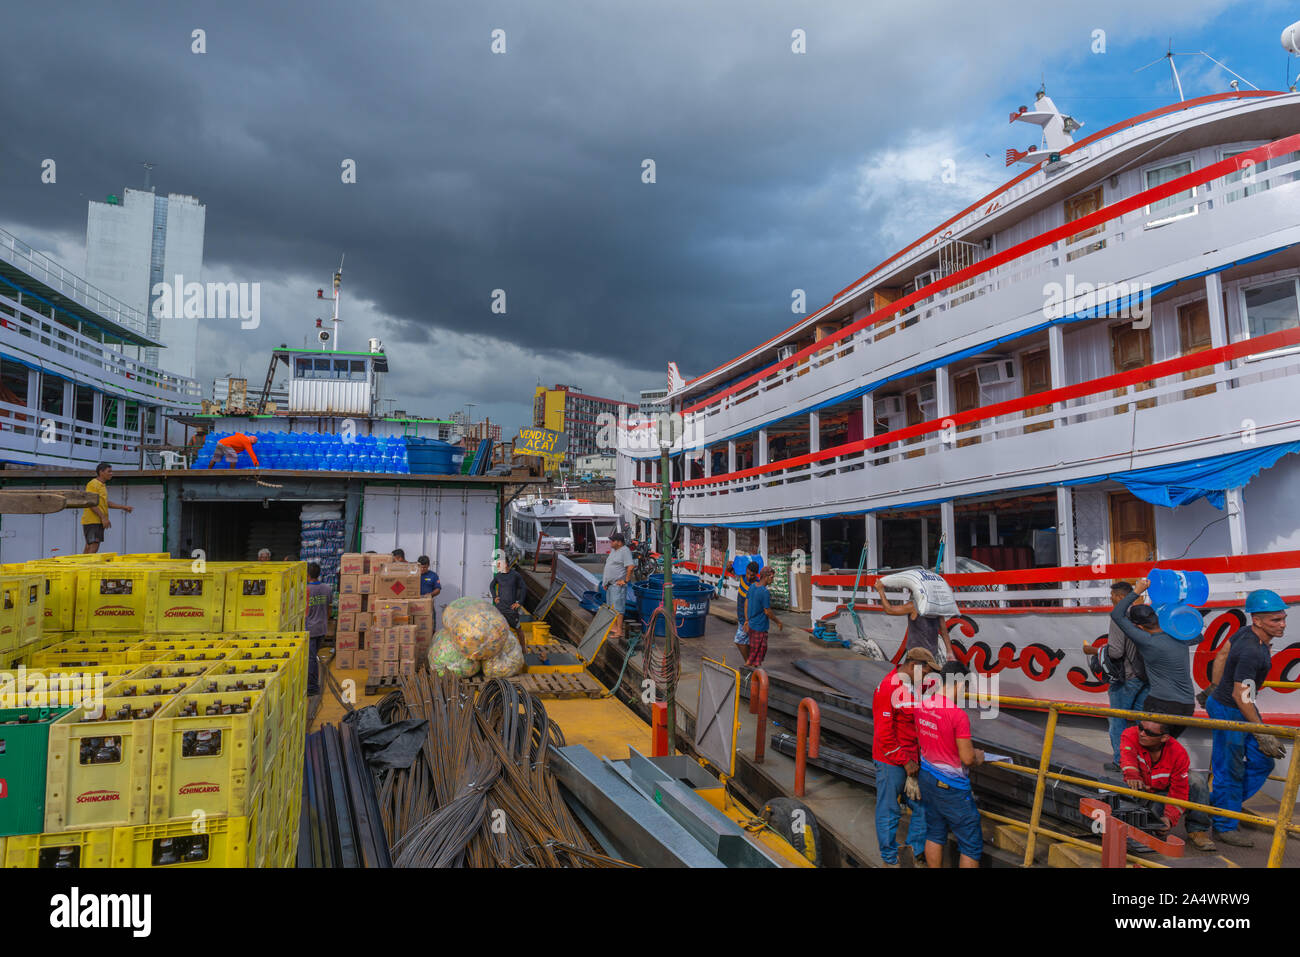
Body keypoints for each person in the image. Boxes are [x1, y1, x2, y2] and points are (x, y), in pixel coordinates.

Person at [1204, 589, 1289, 848]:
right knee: (1229, 767)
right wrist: (1260, 731)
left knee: (1263, 760)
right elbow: (1241, 696)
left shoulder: (1244, 633)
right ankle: (1224, 826)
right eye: (1276, 620)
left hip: (1233, 704)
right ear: (1258, 621)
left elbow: (1221, 655)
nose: (1283, 624)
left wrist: (1213, 686)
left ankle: (1221, 806)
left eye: (1283, 618)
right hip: (1231, 709)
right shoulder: (1252, 651)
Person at [915, 661, 984, 867]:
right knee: (970, 844)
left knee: (935, 832)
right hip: (951, 787)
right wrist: (978, 756)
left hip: (927, 776)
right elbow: (968, 758)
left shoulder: (923, 705)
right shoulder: (957, 715)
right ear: (961, 685)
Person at [872, 648, 937, 867]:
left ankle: (912, 851)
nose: (927, 677)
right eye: (925, 672)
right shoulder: (889, 688)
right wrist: (905, 761)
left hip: (912, 760)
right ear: (913, 666)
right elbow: (884, 734)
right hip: (892, 761)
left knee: (923, 806)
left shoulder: (914, 687)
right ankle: (889, 857)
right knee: (889, 808)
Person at [1109, 578, 1195, 736]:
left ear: (1139, 627)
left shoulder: (1147, 641)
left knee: (1149, 750)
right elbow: (1196, 631)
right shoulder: (1180, 636)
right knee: (1167, 747)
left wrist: (1137, 591)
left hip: (1161, 704)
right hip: (1187, 706)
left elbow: (1117, 614)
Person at [1120, 720, 1216, 852]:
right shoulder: (1131, 734)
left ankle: (1198, 829)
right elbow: (1127, 758)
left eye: (1148, 732)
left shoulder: (1178, 753)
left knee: (1197, 781)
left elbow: (1179, 791)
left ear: (1164, 737)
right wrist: (1132, 775)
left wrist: (1169, 819)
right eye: (1141, 728)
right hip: (1140, 788)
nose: (1141, 733)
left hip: (1162, 791)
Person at [1082, 581, 1148, 770]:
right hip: (1144, 676)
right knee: (1140, 721)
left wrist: (1092, 650)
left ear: (1120, 597)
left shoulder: (1119, 617)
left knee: (1117, 720)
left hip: (1126, 677)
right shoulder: (1141, 614)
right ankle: (1141, 762)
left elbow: (1116, 652)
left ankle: (1121, 761)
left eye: (1112, 597)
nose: (1110, 600)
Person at [875, 578, 956, 663]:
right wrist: (949, 651)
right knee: (927, 675)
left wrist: (880, 591)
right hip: (932, 655)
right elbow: (944, 632)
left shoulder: (913, 606)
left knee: (916, 675)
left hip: (916, 656)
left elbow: (889, 610)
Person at [80, 462, 133, 553]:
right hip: (92, 520)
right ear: (101, 472)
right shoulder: (93, 484)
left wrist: (123, 507)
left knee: (90, 545)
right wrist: (103, 518)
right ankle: (87, 566)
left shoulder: (102, 486)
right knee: (93, 545)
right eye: (109, 471)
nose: (111, 473)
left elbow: (105, 503)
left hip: (97, 521)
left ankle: (81, 565)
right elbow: (90, 503)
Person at [744, 567, 785, 668]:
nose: (773, 579)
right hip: (760, 626)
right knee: (756, 652)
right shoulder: (765, 592)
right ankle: (747, 672)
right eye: (771, 577)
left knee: (755, 650)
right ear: (766, 577)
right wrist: (778, 621)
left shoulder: (752, 587)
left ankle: (753, 673)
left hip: (752, 624)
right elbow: (767, 611)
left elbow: (746, 603)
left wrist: (747, 620)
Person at [305, 562, 331, 698]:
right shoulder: (327, 588)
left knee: (310, 659)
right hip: (322, 628)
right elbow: (329, 608)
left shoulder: (305, 590)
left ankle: (312, 687)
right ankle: (312, 683)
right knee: (313, 657)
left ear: (307, 575)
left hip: (310, 629)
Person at [602, 532, 634, 639]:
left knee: (618, 609)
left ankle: (619, 631)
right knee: (611, 607)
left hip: (618, 585)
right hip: (610, 584)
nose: (611, 542)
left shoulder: (625, 551)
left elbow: (630, 566)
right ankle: (614, 628)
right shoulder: (613, 551)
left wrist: (625, 581)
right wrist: (605, 582)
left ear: (619, 542)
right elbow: (609, 566)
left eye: (613, 540)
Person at [733, 562, 761, 665]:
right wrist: (730, 566)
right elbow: (731, 570)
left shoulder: (756, 586)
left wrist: (748, 621)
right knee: (747, 642)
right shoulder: (742, 576)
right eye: (748, 573)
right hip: (741, 617)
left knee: (739, 641)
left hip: (747, 619)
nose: (749, 577)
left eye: (752, 575)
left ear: (756, 574)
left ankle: (749, 664)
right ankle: (753, 664)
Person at [490, 558, 527, 634]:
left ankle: (522, 646)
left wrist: (520, 602)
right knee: (498, 630)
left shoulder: (515, 575)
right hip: (500, 608)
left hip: (511, 609)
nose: (498, 566)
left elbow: (524, 588)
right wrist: (494, 597)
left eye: (499, 564)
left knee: (518, 629)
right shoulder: (498, 575)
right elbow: (491, 586)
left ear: (506, 564)